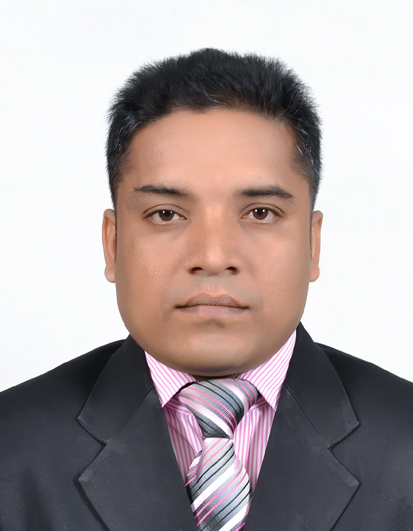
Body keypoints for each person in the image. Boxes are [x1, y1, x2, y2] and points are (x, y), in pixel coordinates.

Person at [0, 48, 412, 531]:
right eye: (166, 214)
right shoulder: (12, 447)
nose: (213, 256)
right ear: (113, 244)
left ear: (312, 243)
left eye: (260, 213)